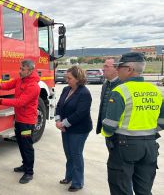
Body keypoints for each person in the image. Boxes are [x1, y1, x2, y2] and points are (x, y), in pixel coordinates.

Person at [102, 52, 163, 195]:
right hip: (150, 146)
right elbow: (162, 122)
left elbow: (109, 125)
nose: (117, 70)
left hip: (124, 146)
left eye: (120, 67)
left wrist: (109, 135)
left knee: (121, 189)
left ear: (129, 69)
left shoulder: (120, 91)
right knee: (144, 190)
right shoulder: (156, 91)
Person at [0, 59, 40, 184]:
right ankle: (25, 165)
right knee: (21, 144)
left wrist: (0, 101)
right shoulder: (21, 79)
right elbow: (9, 85)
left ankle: (29, 172)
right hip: (19, 120)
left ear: (30, 71)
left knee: (27, 147)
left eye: (22, 69)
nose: (20, 71)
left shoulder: (33, 86)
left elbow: (20, 102)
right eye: (20, 68)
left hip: (27, 123)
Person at [55, 66, 92, 192]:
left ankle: (77, 182)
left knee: (76, 155)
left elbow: (80, 114)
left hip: (79, 129)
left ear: (78, 79)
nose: (67, 80)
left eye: (69, 78)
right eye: (66, 77)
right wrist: (58, 120)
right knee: (68, 154)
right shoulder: (66, 89)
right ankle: (69, 176)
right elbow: (59, 105)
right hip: (65, 128)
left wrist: (64, 123)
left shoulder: (84, 93)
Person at [96, 58, 121, 134]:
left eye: (106, 66)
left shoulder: (123, 86)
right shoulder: (105, 85)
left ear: (116, 68)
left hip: (119, 132)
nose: (103, 69)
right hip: (107, 130)